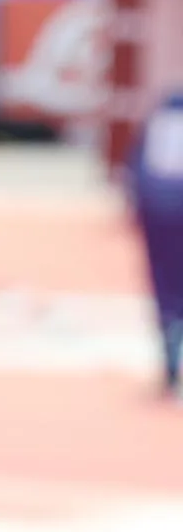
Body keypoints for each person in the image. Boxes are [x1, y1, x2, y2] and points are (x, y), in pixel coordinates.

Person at [130, 91, 183, 399]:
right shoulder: (163, 119)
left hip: (160, 218)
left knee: (167, 296)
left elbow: (137, 176)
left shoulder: (161, 121)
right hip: (164, 215)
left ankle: (170, 367)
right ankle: (171, 365)